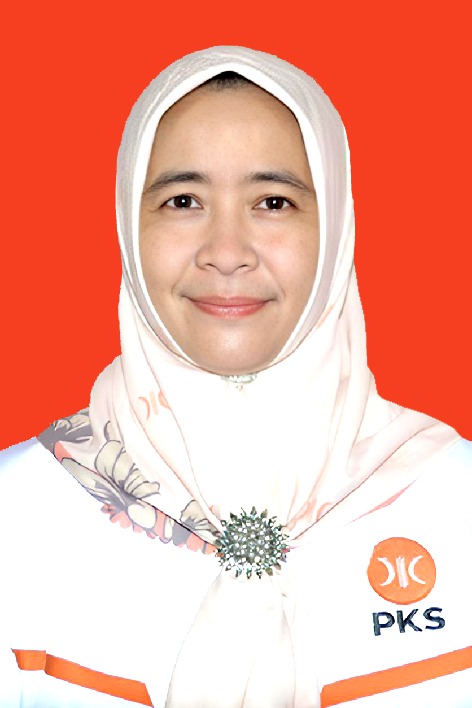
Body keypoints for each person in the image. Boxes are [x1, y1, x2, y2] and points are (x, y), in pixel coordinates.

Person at [0, 46, 471, 708]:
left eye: (273, 202)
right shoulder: (18, 513)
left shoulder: (457, 500)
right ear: (128, 224)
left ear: (336, 227)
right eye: (183, 200)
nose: (226, 253)